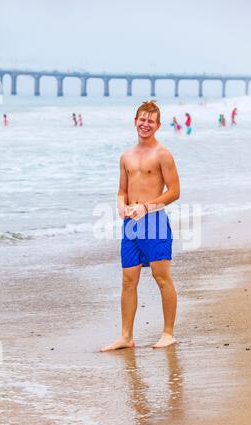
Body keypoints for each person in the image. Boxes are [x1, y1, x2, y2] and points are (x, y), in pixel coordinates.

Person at [101, 101, 180, 352]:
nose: (145, 124)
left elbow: (175, 192)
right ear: (135, 121)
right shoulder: (126, 156)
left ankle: (168, 333)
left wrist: (146, 207)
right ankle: (126, 336)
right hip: (130, 224)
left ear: (158, 125)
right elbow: (122, 189)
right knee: (128, 280)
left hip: (154, 221)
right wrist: (120, 204)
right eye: (141, 119)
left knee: (161, 277)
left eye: (151, 121)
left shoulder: (163, 154)